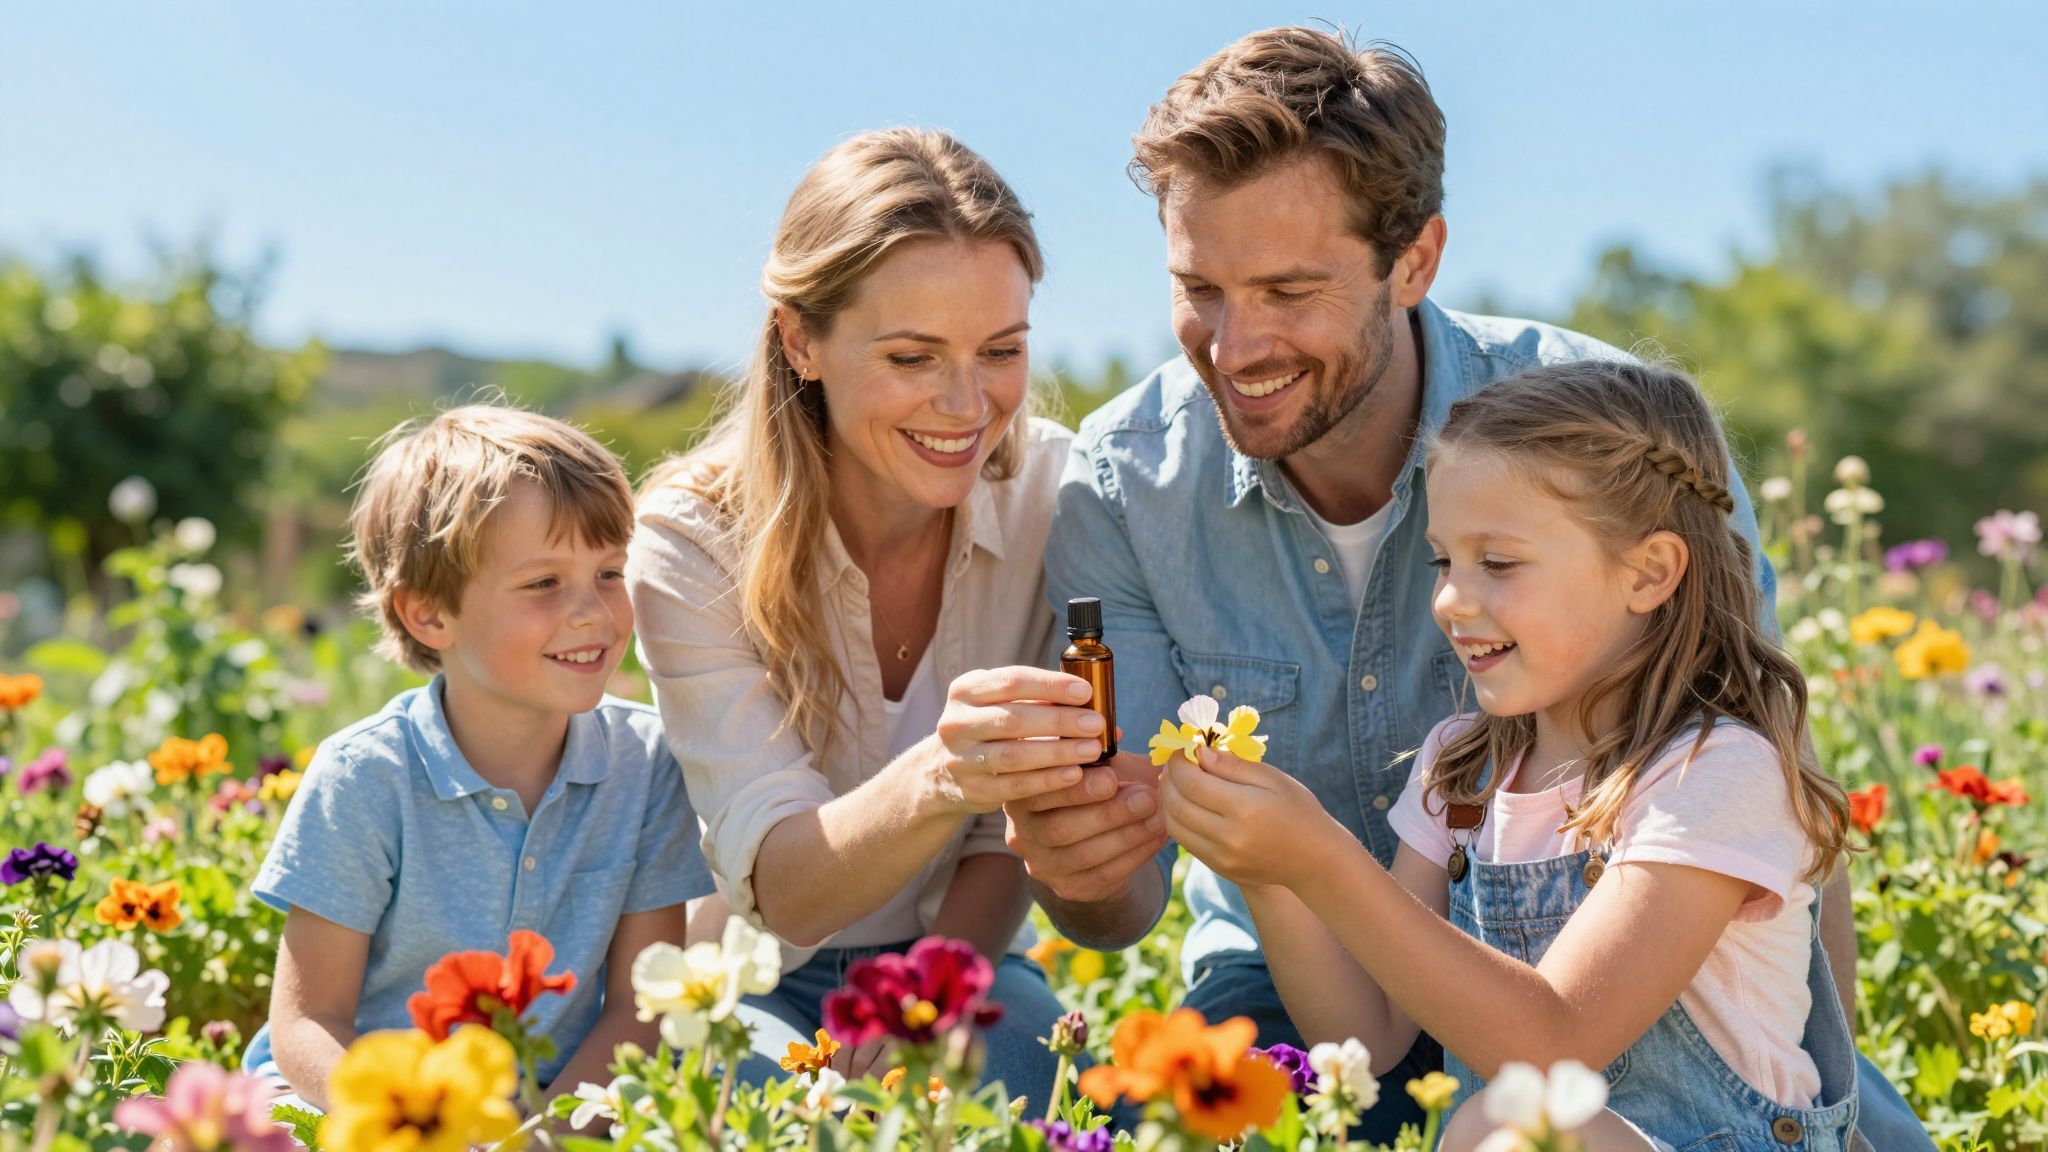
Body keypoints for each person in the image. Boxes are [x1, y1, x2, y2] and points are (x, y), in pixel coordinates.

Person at [1014, 26, 1924, 1147]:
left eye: (1288, 289)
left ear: (1415, 258)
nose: (1233, 344)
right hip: (1345, 999)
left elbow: (1768, 760)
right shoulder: (1123, 486)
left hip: (1662, 1023)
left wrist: (1824, 1101)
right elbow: (1170, 925)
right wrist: (1092, 851)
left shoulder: (1608, 439)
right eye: (1197, 287)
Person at [1161, 360, 1857, 1151]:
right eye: (1442, 561)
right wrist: (1273, 872)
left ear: (1649, 571)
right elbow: (1369, 1032)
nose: (1451, 600)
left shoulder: (1712, 773)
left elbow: (1553, 1043)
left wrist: (1322, 857)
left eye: (1496, 563)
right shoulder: (1460, 770)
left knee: (1504, 1123)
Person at [627, 127, 1097, 1100]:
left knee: (1056, 1098)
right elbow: (784, 887)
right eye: (912, 356)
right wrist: (944, 771)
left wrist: (926, 997)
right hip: (750, 978)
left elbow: (998, 845)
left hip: (956, 956)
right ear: (801, 340)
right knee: (795, 1119)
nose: (966, 404)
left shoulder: (1054, 494)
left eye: (1000, 351)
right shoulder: (692, 540)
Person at [248, 404, 713, 1111]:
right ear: (429, 613)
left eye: (611, 573)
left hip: (562, 1103)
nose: (593, 612)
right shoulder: (366, 777)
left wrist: (548, 1136)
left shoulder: (646, 763)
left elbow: (638, 1011)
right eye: (543, 583)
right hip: (365, 1101)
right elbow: (310, 1021)